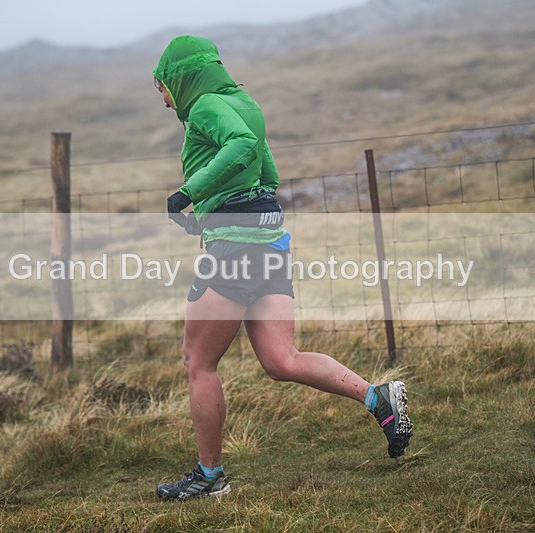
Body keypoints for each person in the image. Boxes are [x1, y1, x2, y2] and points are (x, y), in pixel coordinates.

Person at [152, 35, 412, 501]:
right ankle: (379, 399)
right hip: (267, 237)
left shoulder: (207, 107)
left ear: (181, 76)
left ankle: (209, 477)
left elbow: (242, 144)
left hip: (237, 247)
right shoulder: (243, 100)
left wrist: (189, 192)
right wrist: (218, 214)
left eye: (163, 87)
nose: (164, 98)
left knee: (198, 362)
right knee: (281, 359)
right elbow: (265, 172)